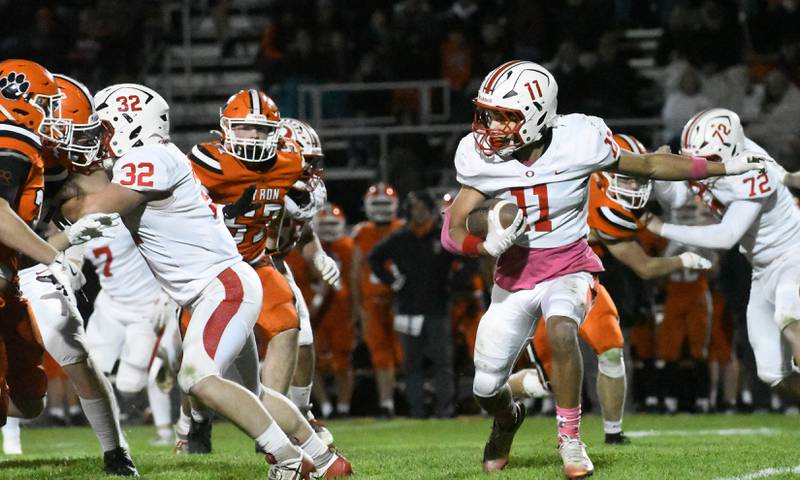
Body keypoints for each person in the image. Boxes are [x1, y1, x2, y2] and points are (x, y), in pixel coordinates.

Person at [440, 61, 762, 478]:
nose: (491, 126)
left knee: (562, 329)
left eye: (504, 116)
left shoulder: (580, 140)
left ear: (538, 115)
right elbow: (452, 229)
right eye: (489, 114)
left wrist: (721, 168)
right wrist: (482, 244)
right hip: (515, 276)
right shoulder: (479, 155)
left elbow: (647, 166)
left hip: (569, 265)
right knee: (485, 387)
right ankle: (506, 419)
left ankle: (571, 438)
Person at [69, 83, 351, 478]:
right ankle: (325, 459)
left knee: (196, 377)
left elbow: (91, 208)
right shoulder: (169, 159)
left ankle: (287, 459)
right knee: (254, 393)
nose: (99, 138)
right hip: (223, 282)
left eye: (104, 128)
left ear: (128, 125)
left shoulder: (149, 158)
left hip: (223, 285)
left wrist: (58, 185)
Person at [508, 133, 712, 443]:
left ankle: (614, 433)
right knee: (550, 382)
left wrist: (682, 260)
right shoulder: (565, 184)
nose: (633, 187)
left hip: (581, 280)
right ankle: (496, 390)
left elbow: (643, 265)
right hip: (540, 285)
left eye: (637, 180)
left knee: (612, 349)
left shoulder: (615, 209)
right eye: (628, 179)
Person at [187, 92, 340, 453]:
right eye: (244, 129)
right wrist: (218, 213)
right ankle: (193, 421)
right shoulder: (207, 161)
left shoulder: (286, 164)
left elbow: (302, 212)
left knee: (289, 327)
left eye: (260, 130)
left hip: (256, 261)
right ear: (226, 129)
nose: (252, 138)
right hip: (210, 271)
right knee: (200, 364)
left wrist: (304, 212)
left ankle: (279, 418)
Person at [0, 62, 128, 475]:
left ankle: (116, 450)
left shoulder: (39, 147)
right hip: (26, 259)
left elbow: (98, 195)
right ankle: (116, 454)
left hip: (19, 265)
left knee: (31, 398)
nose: (53, 116)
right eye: (46, 104)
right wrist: (54, 255)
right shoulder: (14, 138)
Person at [643, 107, 800, 400]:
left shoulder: (754, 166)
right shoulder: (707, 155)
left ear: (729, 149)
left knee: (790, 314)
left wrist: (662, 228)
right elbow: (677, 200)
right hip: (762, 267)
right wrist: (663, 180)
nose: (700, 164)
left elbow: (726, 236)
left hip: (793, 253)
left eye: (707, 159)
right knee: (772, 373)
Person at [369, 190, 456, 419]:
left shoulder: (442, 238)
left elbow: (468, 261)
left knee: (442, 362)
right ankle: (417, 411)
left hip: (438, 308)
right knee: (412, 364)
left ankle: (445, 410)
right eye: (414, 209)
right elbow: (374, 258)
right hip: (407, 309)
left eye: (422, 208)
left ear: (430, 210)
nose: (418, 213)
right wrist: (392, 281)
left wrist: (453, 283)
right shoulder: (400, 239)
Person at [350, 182, 404, 417]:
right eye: (377, 204)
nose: (382, 209)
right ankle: (387, 403)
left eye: (385, 203)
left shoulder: (402, 229)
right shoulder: (362, 232)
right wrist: (357, 307)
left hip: (398, 301)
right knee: (380, 355)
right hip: (372, 304)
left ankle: (399, 399)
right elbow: (354, 273)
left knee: (402, 355)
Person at [310, 204, 355, 418]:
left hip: (340, 310)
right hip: (315, 311)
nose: (328, 229)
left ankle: (344, 407)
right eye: (324, 224)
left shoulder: (348, 246)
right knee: (312, 360)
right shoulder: (308, 246)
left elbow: (355, 279)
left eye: (332, 224)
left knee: (342, 361)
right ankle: (326, 406)